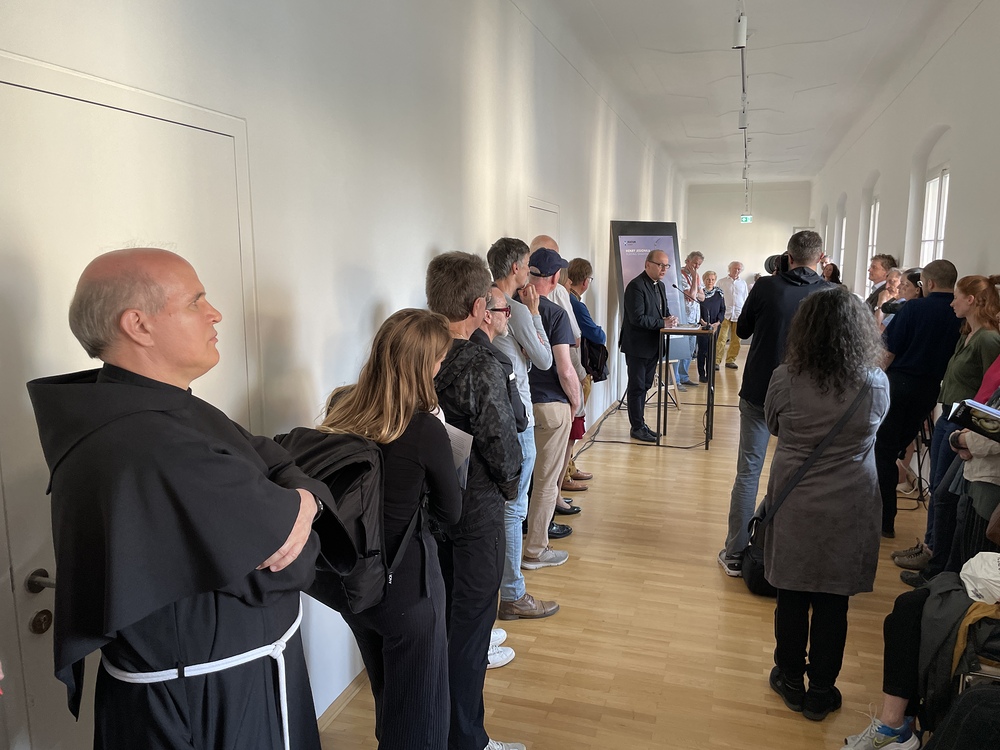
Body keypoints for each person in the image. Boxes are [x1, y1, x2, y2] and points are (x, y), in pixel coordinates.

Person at [26, 248, 350, 750]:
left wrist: (302, 499)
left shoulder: (145, 406)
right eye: (196, 301)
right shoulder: (151, 444)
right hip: (209, 702)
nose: (215, 313)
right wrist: (303, 500)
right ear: (138, 325)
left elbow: (274, 455)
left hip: (213, 684)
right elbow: (288, 566)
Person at [278, 309, 462, 749]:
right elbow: (451, 512)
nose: (442, 366)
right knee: (420, 720)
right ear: (423, 364)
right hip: (408, 591)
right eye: (439, 359)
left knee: (390, 699)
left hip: (356, 586)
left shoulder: (343, 405)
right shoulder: (424, 429)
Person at [764, 286, 890, 722]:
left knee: (792, 593)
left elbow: (773, 424)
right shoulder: (875, 382)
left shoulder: (785, 378)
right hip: (851, 501)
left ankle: (789, 679)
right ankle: (821, 690)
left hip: (796, 499)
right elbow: (876, 427)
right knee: (835, 600)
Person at [425, 251, 525, 750]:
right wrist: (509, 487)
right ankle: (466, 740)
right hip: (476, 513)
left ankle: (439, 730)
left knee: (444, 622)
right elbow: (503, 442)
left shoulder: (413, 351)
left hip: (428, 511)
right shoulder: (481, 364)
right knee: (470, 631)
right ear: (478, 306)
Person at [718, 231, 830, 576]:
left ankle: (735, 552)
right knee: (797, 473)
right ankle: (784, 549)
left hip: (760, 390)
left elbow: (743, 331)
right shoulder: (830, 294)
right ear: (820, 258)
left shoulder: (766, 287)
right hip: (808, 397)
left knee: (748, 472)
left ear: (788, 256)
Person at [486, 238, 560, 622]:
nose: (530, 271)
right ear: (515, 267)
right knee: (514, 510)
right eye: (527, 264)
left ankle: (505, 590)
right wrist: (534, 312)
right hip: (519, 419)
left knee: (504, 509)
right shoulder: (513, 308)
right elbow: (545, 359)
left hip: (501, 417)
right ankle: (513, 594)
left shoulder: (489, 300)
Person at [875, 259, 962, 538]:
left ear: (930, 283)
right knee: (899, 445)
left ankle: (884, 520)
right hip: (931, 391)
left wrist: (874, 380)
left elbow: (889, 351)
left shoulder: (914, 308)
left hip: (899, 385)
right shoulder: (959, 314)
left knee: (883, 451)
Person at [521, 248, 581, 567]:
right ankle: (535, 549)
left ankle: (510, 549)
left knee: (517, 482)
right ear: (556, 278)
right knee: (546, 481)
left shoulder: (506, 306)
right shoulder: (554, 313)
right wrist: (576, 401)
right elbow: (565, 369)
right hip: (550, 406)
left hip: (516, 405)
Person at [620, 249, 679, 442]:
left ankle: (641, 424)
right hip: (638, 346)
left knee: (645, 385)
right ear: (647, 264)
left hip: (654, 344)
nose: (664, 269)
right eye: (660, 265)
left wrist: (670, 318)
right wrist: (663, 322)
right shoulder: (636, 286)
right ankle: (637, 427)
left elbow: (663, 312)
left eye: (666, 265)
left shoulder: (660, 285)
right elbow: (637, 318)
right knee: (637, 387)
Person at [677, 251, 705, 387]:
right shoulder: (680, 274)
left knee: (689, 349)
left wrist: (696, 288)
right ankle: (675, 379)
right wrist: (694, 278)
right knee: (680, 349)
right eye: (695, 263)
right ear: (687, 261)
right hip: (683, 317)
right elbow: (692, 296)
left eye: (699, 264)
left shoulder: (697, 276)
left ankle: (684, 376)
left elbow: (702, 297)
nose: (697, 267)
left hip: (694, 318)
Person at [716, 261, 748, 370]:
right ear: (729, 269)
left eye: (739, 269)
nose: (737, 271)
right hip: (725, 314)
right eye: (735, 268)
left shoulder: (743, 283)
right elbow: (717, 298)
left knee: (736, 340)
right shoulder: (721, 282)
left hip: (738, 314)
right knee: (721, 338)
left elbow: (745, 298)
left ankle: (730, 360)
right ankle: (716, 361)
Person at [697, 270, 725, 383]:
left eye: (713, 279)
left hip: (715, 326)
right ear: (704, 280)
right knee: (702, 351)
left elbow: (722, 309)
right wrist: (702, 322)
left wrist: (718, 322)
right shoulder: (700, 293)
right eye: (708, 279)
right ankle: (701, 374)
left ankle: (710, 374)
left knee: (711, 351)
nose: (710, 281)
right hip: (702, 326)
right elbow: (696, 309)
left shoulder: (719, 293)